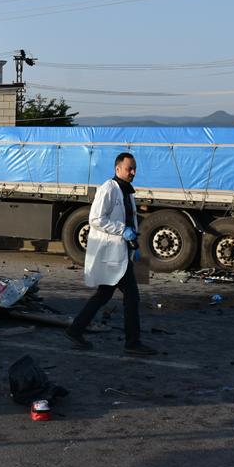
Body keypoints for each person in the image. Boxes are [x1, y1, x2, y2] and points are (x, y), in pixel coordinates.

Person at [63, 152, 157, 355]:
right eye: (128, 168)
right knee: (132, 297)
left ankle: (75, 329)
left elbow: (130, 220)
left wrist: (134, 244)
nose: (133, 172)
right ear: (117, 169)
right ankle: (132, 343)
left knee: (104, 295)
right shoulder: (108, 189)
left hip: (122, 253)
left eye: (134, 168)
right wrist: (121, 229)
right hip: (112, 254)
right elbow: (95, 218)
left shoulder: (127, 192)